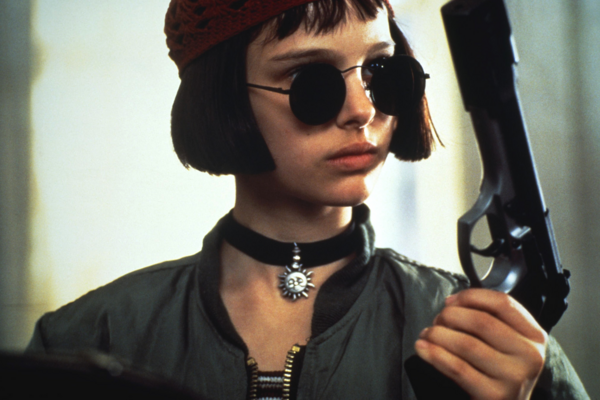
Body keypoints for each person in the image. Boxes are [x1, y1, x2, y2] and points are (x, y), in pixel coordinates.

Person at [26, 0, 588, 399]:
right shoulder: (90, 336)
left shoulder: (496, 341)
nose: (362, 110)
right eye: (312, 83)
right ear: (224, 98)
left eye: (381, 71)